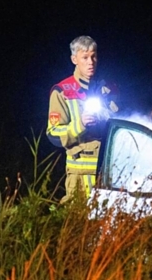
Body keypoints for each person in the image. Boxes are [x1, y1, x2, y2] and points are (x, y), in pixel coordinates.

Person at [47, 35, 118, 201]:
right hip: (79, 175)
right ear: (74, 59)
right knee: (77, 223)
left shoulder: (108, 89)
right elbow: (53, 134)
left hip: (109, 172)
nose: (90, 62)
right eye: (85, 57)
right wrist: (80, 124)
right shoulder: (62, 91)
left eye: (93, 56)